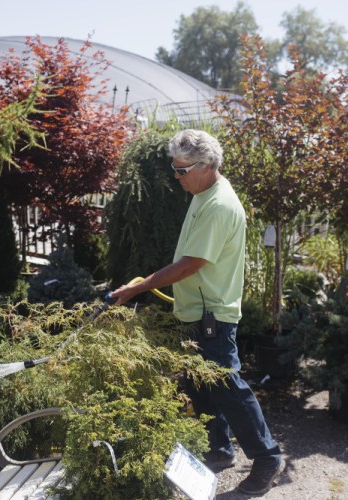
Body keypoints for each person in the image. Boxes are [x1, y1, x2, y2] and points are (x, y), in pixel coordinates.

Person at [109, 129, 284, 496]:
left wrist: (137, 288)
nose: (176, 177)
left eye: (181, 170)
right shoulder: (202, 192)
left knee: (227, 386)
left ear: (206, 166)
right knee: (202, 385)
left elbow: (191, 264)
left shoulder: (219, 205)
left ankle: (267, 458)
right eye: (174, 169)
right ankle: (219, 451)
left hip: (213, 317)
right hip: (198, 312)